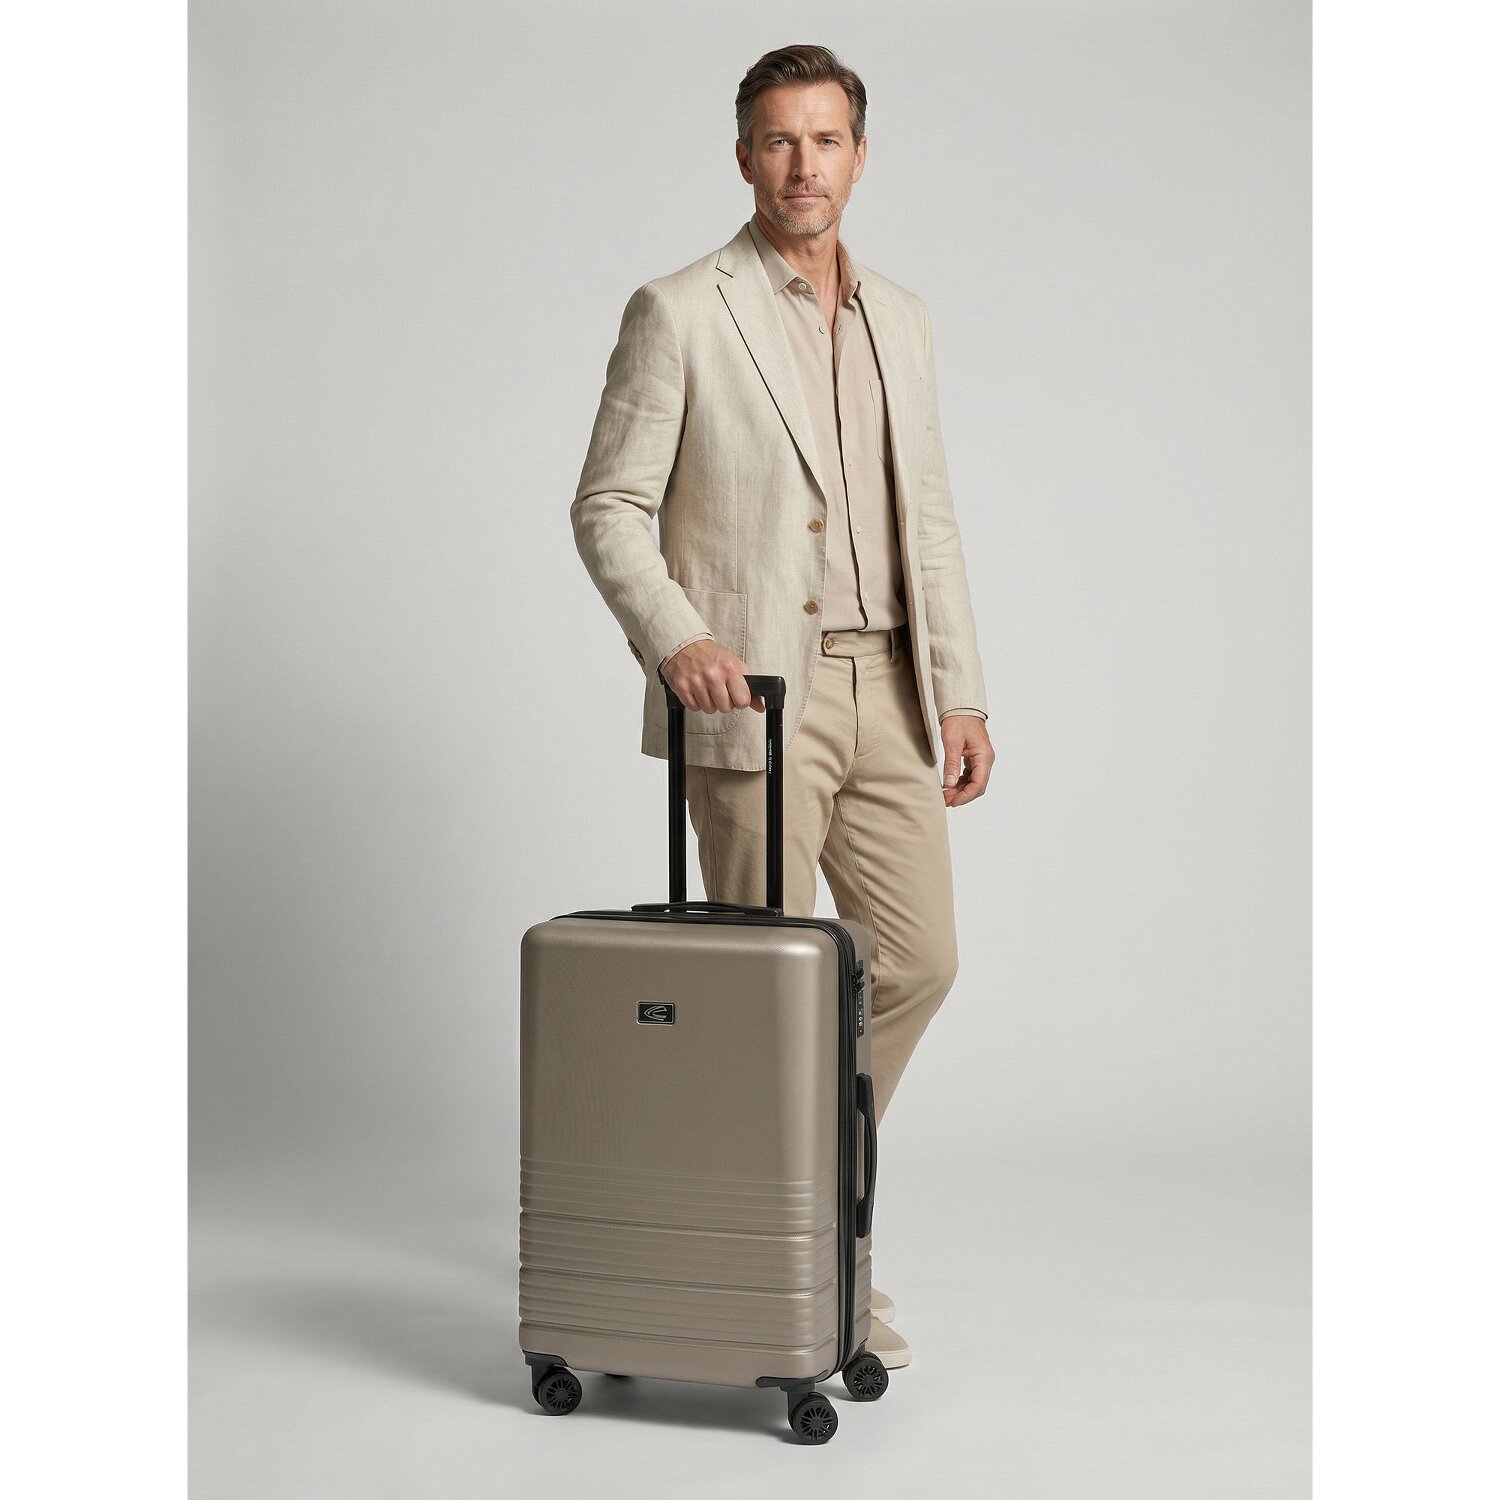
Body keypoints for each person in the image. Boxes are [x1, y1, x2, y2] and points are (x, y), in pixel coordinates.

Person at [570, 44, 994, 1372]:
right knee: (766, 995)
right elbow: (608, 507)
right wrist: (679, 638)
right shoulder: (680, 309)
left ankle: (805, 1217)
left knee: (914, 963)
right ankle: (797, 1274)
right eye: (777, 140)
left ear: (860, 155)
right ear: (743, 155)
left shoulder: (902, 318)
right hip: (755, 697)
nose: (803, 164)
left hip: (892, 689)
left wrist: (963, 692)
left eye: (825, 139)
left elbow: (928, 521)